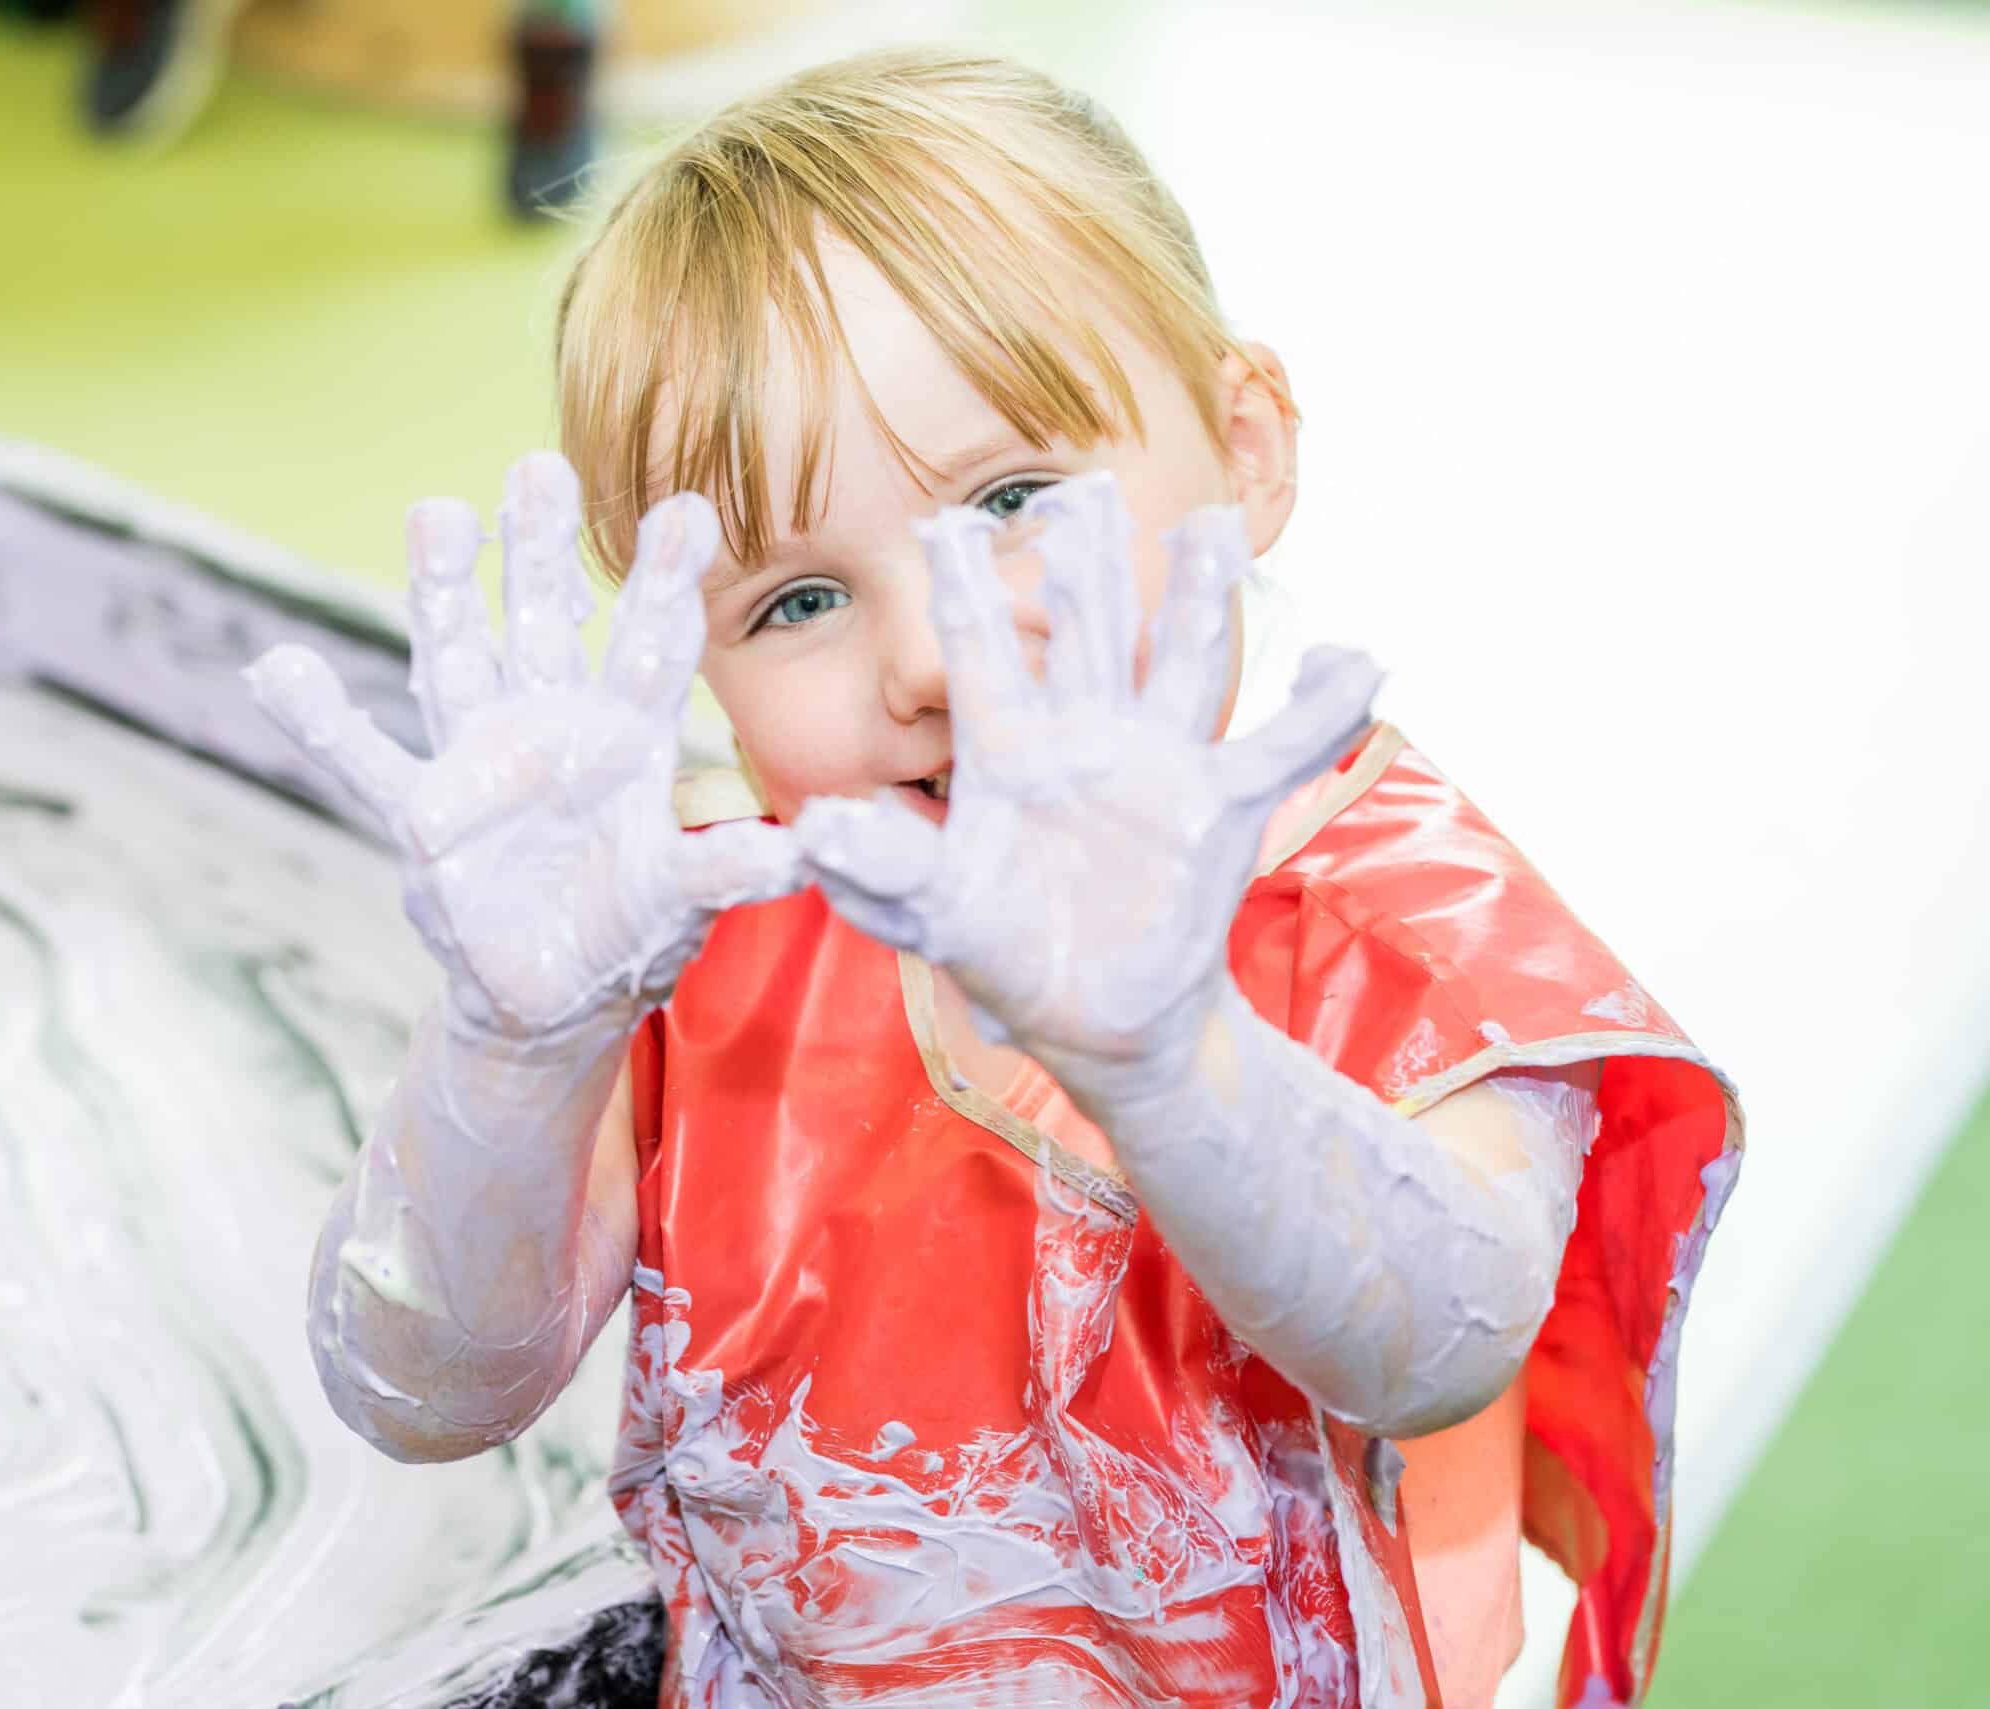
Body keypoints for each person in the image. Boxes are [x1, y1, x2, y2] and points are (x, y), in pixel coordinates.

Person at [250, 48, 1740, 1709]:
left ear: (1244, 444)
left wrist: (1171, 1059)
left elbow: (1440, 1337)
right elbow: (421, 1383)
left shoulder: (1394, 916)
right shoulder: (700, 932)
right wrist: (510, 1049)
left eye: (1013, 502)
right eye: (796, 602)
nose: (928, 660)